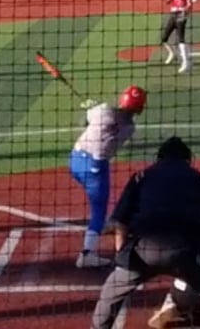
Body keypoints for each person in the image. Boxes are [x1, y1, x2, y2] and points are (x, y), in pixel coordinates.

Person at [89, 136, 200, 329]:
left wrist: (122, 254)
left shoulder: (141, 177)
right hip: (186, 253)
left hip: (144, 252)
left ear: (159, 158)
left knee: (111, 290)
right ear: (188, 159)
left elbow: (121, 221)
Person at [71, 85, 147, 268]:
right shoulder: (129, 128)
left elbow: (86, 121)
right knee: (99, 211)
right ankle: (87, 254)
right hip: (94, 169)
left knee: (101, 201)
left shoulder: (103, 110)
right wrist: (95, 108)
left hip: (75, 161)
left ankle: (103, 225)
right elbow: (112, 122)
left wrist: (92, 108)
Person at [159, 0, 197, 72]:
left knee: (180, 38)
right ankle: (172, 53)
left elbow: (189, 4)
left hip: (181, 14)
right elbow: (169, 1)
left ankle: (185, 63)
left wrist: (185, 12)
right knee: (164, 38)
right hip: (173, 14)